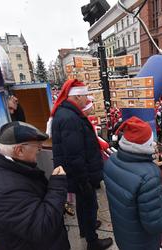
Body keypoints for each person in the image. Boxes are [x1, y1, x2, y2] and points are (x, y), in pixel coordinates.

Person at [104, 116, 162, 250]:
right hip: (142, 243)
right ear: (145, 145)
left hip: (123, 235)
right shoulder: (149, 175)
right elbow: (156, 224)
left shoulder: (112, 160)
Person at [49, 79, 112, 250]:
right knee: (89, 205)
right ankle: (93, 241)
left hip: (77, 174)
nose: (87, 99)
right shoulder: (70, 117)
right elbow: (74, 154)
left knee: (84, 205)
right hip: (81, 175)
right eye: (85, 96)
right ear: (76, 98)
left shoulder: (67, 113)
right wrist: (84, 180)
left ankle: (86, 229)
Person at [0, 121, 70, 249]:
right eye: (37, 147)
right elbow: (42, 228)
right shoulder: (6, 192)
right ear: (19, 150)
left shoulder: (12, 168)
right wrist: (57, 186)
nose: (39, 151)